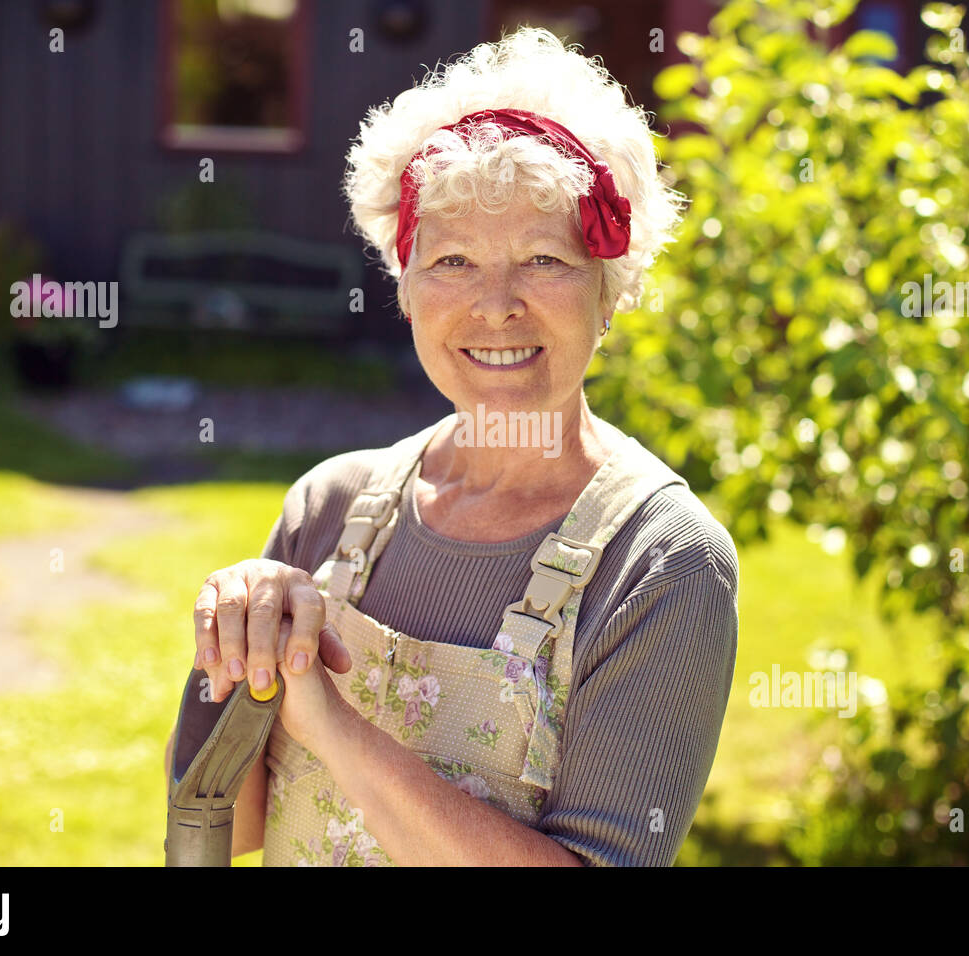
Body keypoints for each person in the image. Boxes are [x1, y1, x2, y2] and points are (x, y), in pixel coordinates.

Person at [173, 26, 739, 866]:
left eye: (544, 259)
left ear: (608, 293)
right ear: (405, 289)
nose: (496, 305)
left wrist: (333, 726)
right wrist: (241, 633)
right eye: (453, 261)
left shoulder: (662, 563)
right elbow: (227, 828)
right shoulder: (329, 508)